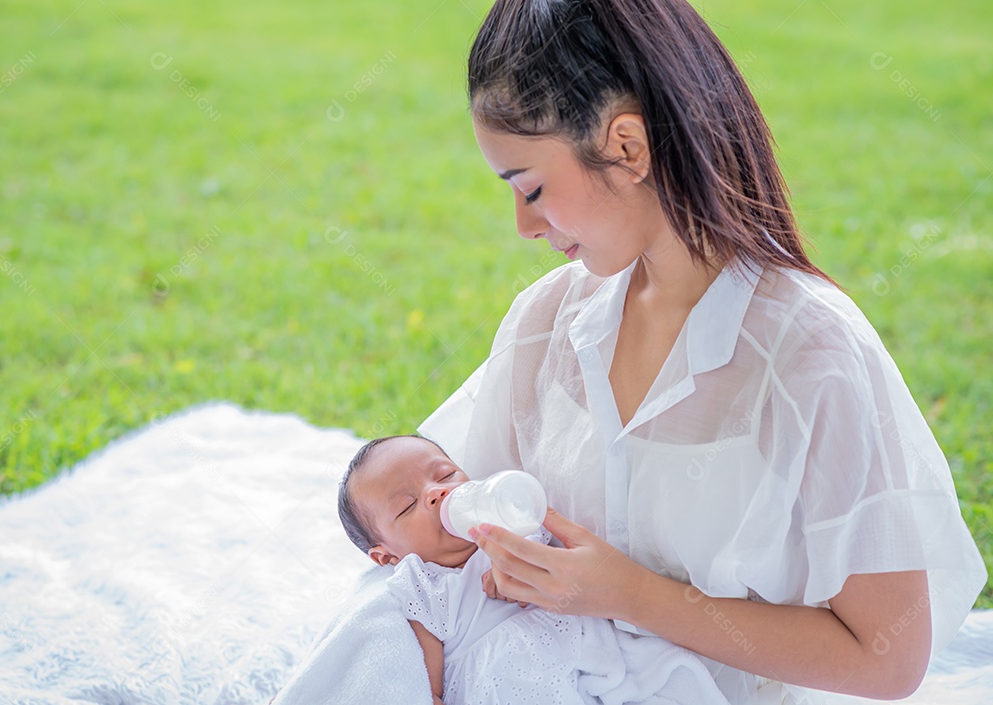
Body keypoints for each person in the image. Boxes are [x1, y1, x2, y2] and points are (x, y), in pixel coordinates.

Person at [414, 1, 988, 704]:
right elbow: (443, 534)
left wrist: (634, 596)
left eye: (530, 188)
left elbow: (887, 658)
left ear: (627, 147)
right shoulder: (547, 325)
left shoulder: (807, 355)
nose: (523, 226)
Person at [337, 433, 732, 705]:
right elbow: (426, 678)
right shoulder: (422, 585)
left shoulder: (510, 525)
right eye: (407, 506)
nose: (437, 493)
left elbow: (562, 569)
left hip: (592, 661)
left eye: (445, 475)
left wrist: (521, 570)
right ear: (386, 555)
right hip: (503, 685)